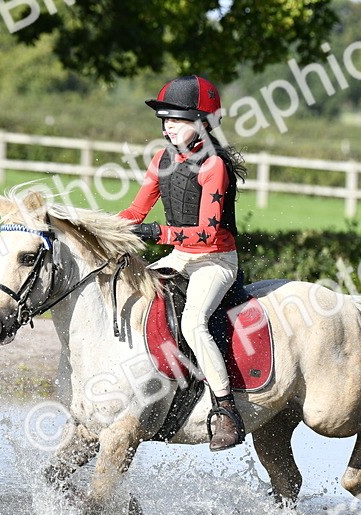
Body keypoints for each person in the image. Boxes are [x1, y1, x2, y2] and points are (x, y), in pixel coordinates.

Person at [119, 75, 248, 451]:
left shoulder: (214, 167)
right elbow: (135, 210)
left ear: (204, 124)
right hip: (180, 255)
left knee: (193, 321)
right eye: (165, 118)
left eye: (177, 118)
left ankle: (225, 409)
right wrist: (100, 228)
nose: (167, 125)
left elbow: (207, 235)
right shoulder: (161, 159)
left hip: (216, 261)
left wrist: (158, 233)